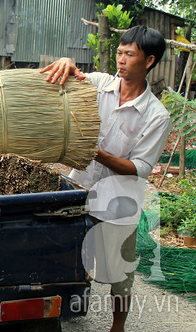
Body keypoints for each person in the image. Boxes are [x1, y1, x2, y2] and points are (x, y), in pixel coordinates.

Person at [41, 25, 172, 332]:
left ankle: (117, 326)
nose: (121, 59)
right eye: (119, 52)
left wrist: (93, 152)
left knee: (119, 273)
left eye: (130, 54)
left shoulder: (156, 116)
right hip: (78, 189)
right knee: (63, 257)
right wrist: (66, 61)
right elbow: (73, 75)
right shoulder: (99, 85)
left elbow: (138, 167)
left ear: (149, 61)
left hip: (119, 202)